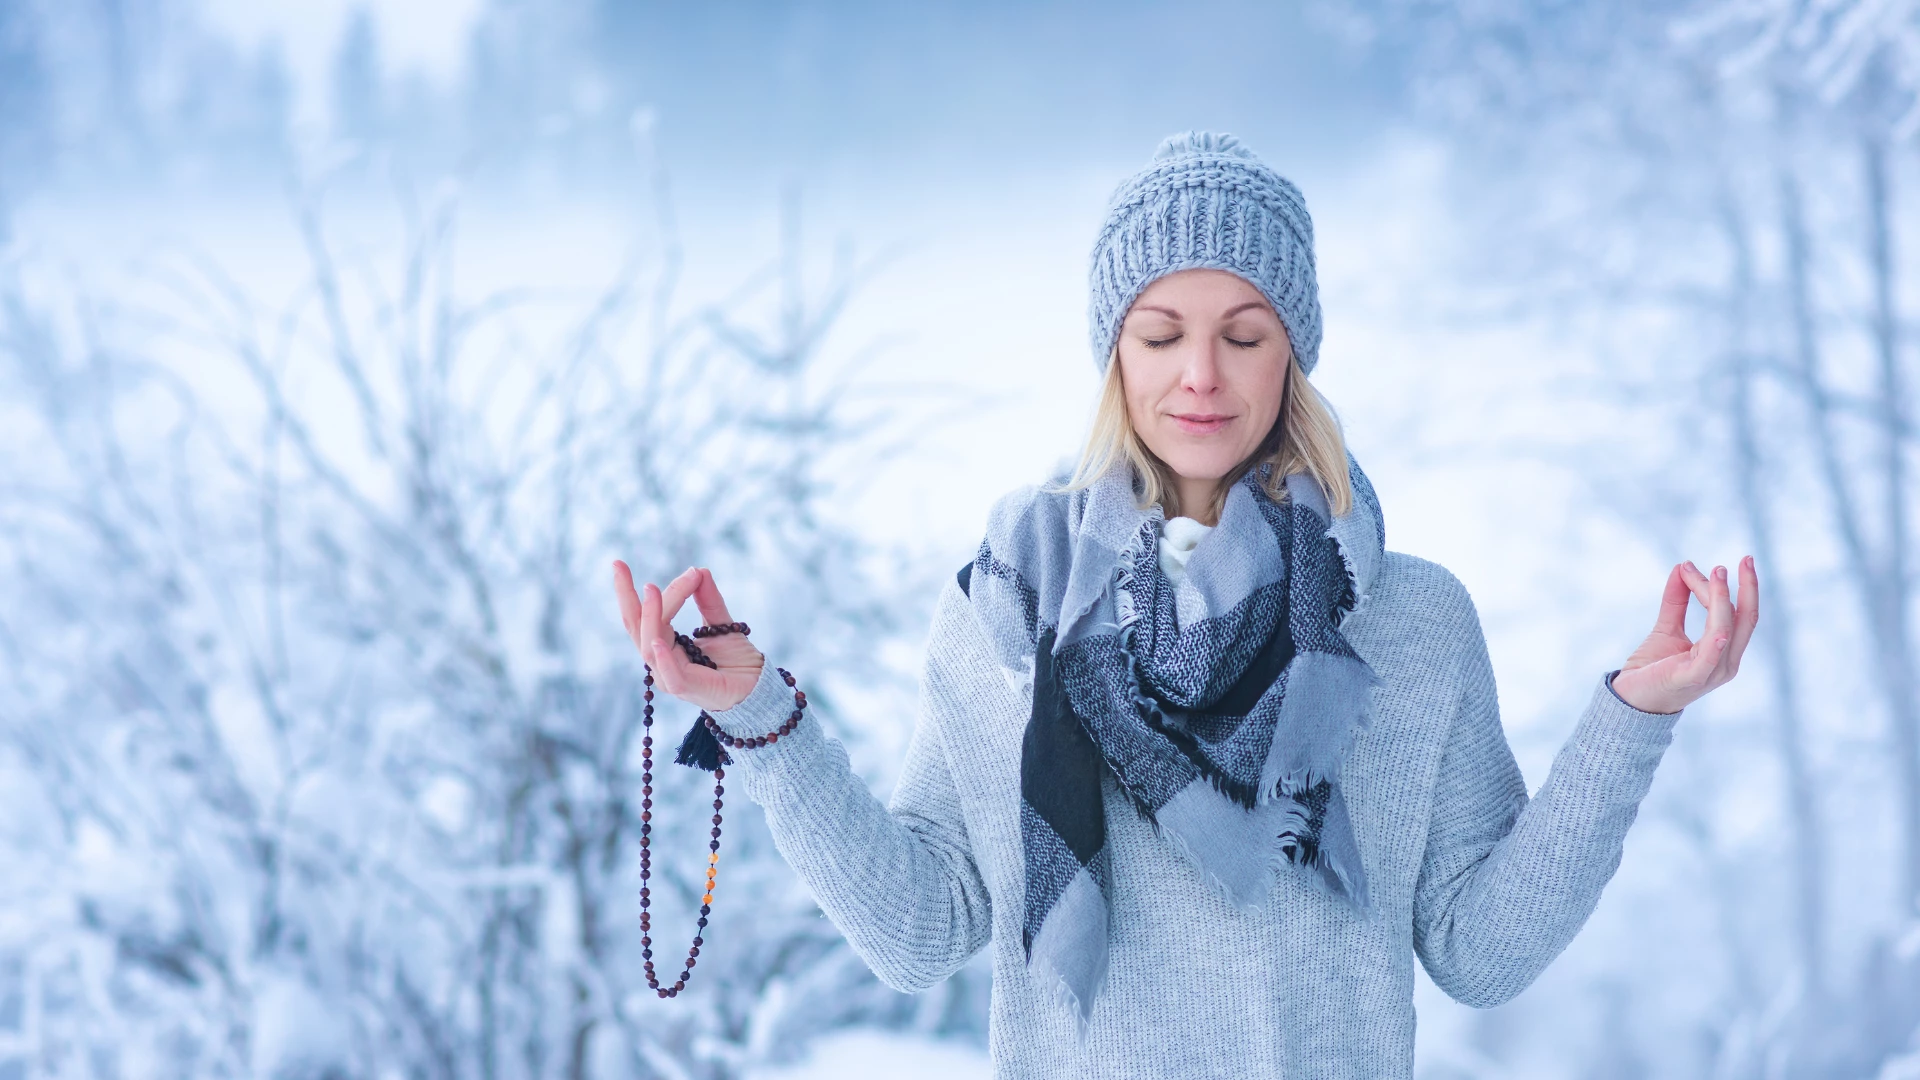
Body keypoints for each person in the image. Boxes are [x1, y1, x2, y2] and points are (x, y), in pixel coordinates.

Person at [611, 130, 1759, 1079]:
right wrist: (761, 718)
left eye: (1243, 335)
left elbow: (1480, 952)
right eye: (1161, 335)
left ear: (1291, 359)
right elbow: (924, 930)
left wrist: (1632, 720)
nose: (1200, 373)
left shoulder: (1407, 621)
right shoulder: (1011, 613)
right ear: (1114, 356)